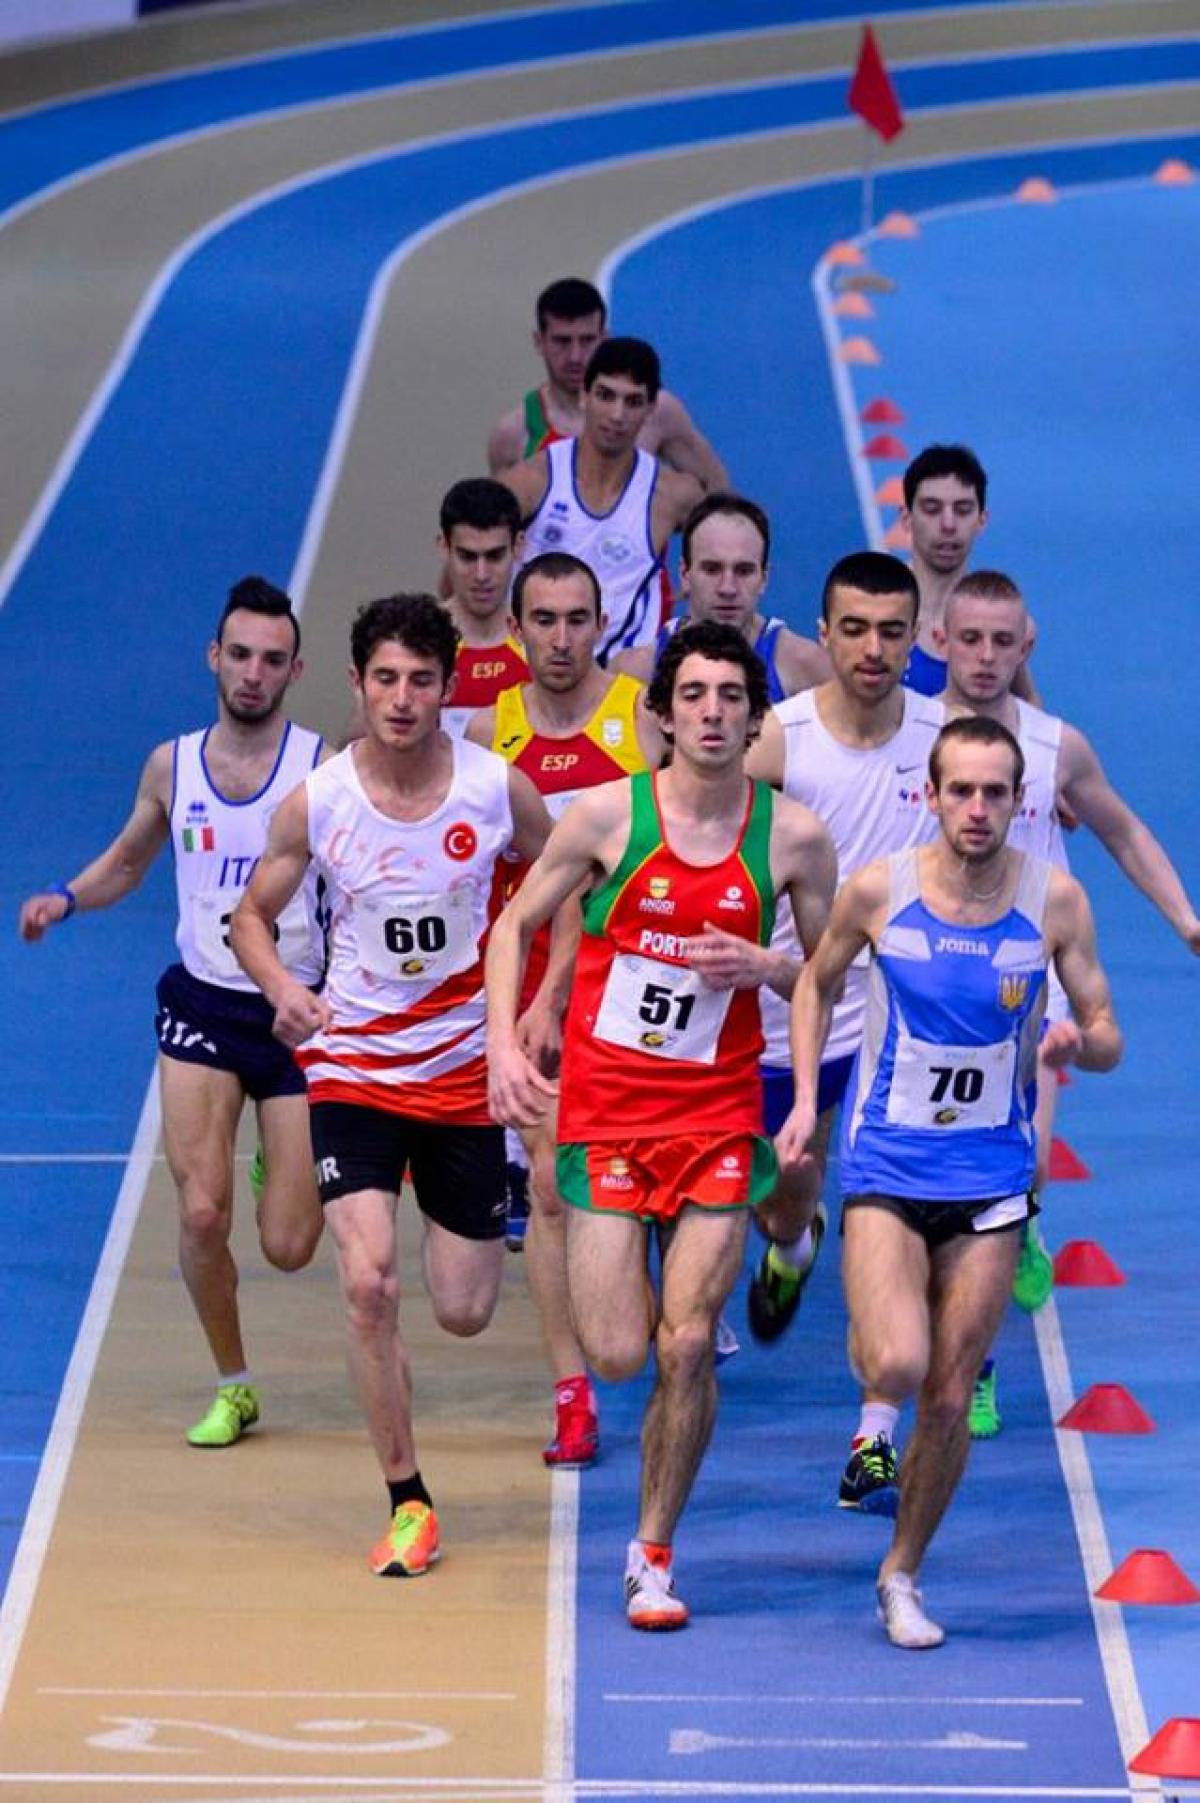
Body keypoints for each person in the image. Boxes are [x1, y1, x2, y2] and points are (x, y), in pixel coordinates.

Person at [486, 621, 837, 1630]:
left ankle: (651, 1555)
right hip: (605, 1118)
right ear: (664, 713)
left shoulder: (793, 837)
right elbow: (514, 925)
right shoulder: (603, 820)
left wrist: (768, 974)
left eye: (732, 696)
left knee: (686, 1344)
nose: (714, 713)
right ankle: (660, 1283)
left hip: (719, 1117)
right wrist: (508, 1049)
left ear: (754, 717)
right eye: (695, 695)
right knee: (620, 1355)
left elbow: (826, 969)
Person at [777, 715, 1122, 1649]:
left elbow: (1106, 1032)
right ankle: (864, 1332)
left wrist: (1074, 1043)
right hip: (889, 1164)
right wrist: (807, 1098)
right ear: (929, 795)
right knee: (897, 1359)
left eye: (994, 792)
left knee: (949, 1385)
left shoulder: (1054, 903)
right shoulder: (880, 890)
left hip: (993, 1181)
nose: (976, 808)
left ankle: (901, 1573)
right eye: (959, 790)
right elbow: (814, 983)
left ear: (1020, 801)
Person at [230, 593, 554, 1578]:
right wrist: (284, 986)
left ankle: (425, 1194)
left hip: (460, 1076)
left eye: (422, 679)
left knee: (462, 1310)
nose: (403, 698)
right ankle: (408, 1499)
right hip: (356, 1066)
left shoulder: (497, 791)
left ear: (449, 687)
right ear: (357, 683)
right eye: (385, 679)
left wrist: (542, 1008)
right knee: (368, 1285)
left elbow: (567, 883)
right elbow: (249, 915)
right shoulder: (321, 801)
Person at [19, 577, 327, 1447]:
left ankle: (281, 1160)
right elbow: (129, 859)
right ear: (213, 657)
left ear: (295, 669)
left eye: (273, 660)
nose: (254, 674)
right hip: (200, 1006)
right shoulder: (173, 764)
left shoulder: (319, 768)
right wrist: (64, 897)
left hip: (292, 1011)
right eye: (241, 655)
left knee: (291, 1244)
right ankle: (234, 1383)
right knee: (199, 1212)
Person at [938, 571, 1200, 1433]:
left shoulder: (1056, 748)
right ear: (940, 638)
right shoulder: (908, 741)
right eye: (969, 639)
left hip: (1027, 984)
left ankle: (1025, 1227)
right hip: (926, 986)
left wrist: (1187, 921)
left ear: (1026, 646)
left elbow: (1121, 829)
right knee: (943, 1192)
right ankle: (967, 1362)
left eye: (1001, 642)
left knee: (1028, 1163)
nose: (984, 658)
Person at [742, 554, 945, 1514]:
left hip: (906, 1028)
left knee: (891, 1218)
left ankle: (873, 1433)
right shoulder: (777, 742)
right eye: (855, 628)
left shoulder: (947, 745)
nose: (873, 648)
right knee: (787, 1195)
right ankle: (789, 1243)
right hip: (789, 1013)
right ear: (822, 633)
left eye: (892, 630)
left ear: (916, 637)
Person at [467, 550, 663, 1468]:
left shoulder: (640, 725)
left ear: (601, 626)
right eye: (541, 619)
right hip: (542, 994)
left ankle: (654, 1319)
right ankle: (571, 1390)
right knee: (547, 1187)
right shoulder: (484, 733)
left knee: (645, 1187)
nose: (559, 636)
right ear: (515, 630)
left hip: (642, 996)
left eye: (577, 618)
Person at [501, 337, 703, 662]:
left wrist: (696, 587)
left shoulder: (672, 496)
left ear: (651, 408)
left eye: (633, 401)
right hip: (536, 676)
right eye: (606, 396)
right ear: (584, 396)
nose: (617, 415)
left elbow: (733, 532)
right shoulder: (530, 483)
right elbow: (465, 570)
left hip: (626, 689)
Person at [487, 276, 726, 490]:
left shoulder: (659, 412)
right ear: (539, 342)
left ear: (604, 338)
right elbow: (495, 528)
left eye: (587, 340)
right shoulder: (514, 433)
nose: (575, 356)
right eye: (562, 341)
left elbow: (721, 500)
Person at [611, 492, 829, 701]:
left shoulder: (808, 668)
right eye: (712, 569)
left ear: (764, 578)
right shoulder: (634, 674)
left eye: (743, 571)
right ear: (685, 574)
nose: (728, 588)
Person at [437, 477, 529, 737]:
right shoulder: (414, 643)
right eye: (467, 556)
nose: (481, 574)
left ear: (519, 546)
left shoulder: (544, 645)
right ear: (443, 547)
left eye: (494, 556)